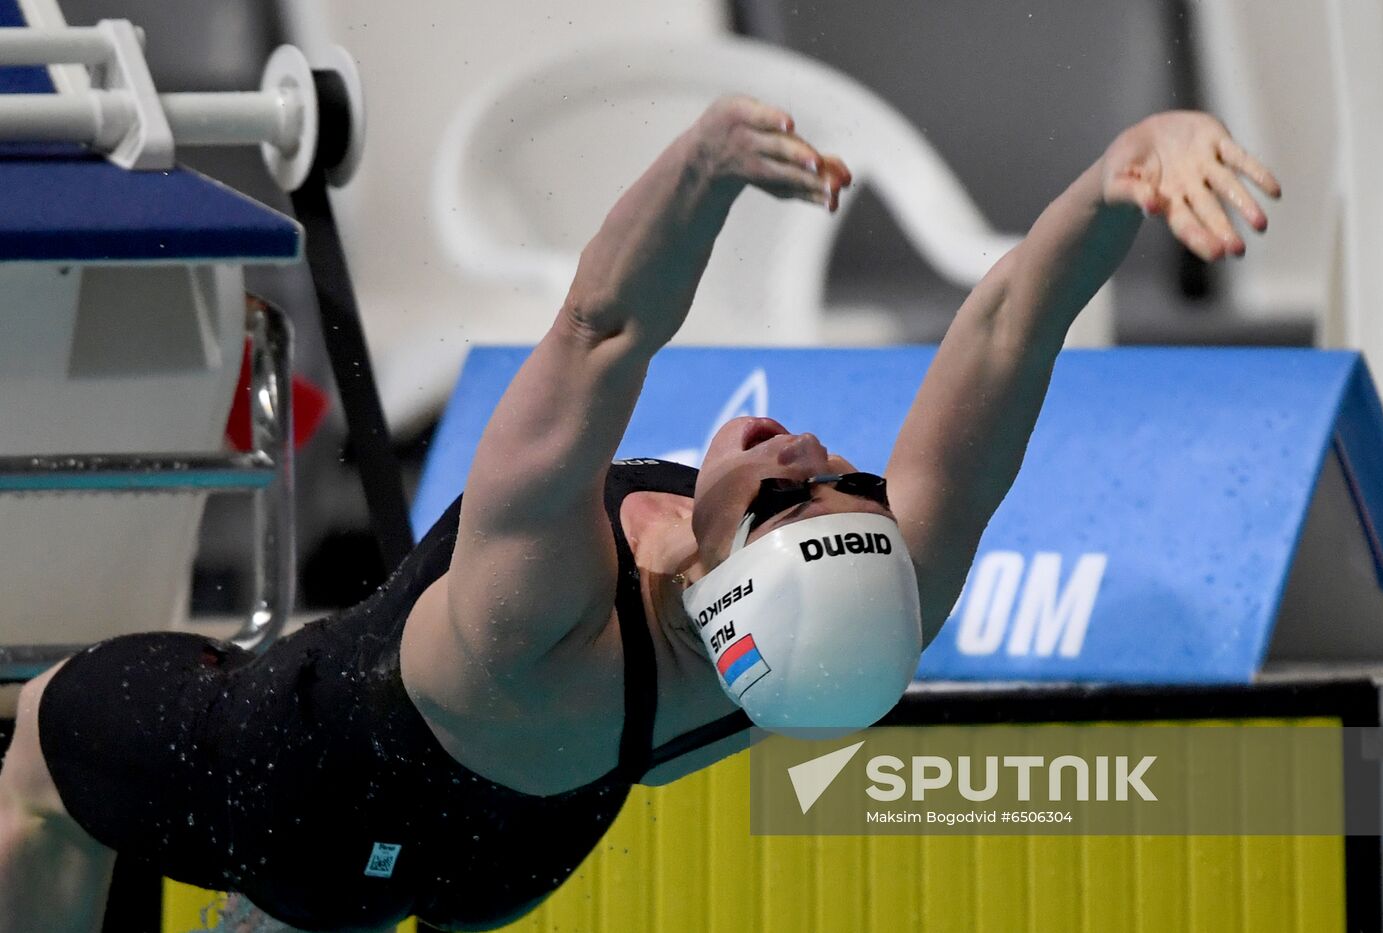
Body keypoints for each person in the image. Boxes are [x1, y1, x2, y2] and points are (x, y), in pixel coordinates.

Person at [0, 95, 1278, 933]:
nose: (814, 453)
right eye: (840, 485)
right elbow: (1007, 327)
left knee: (42, 747)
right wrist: (1121, 174)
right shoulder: (887, 594)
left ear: (715, 585)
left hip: (294, 779)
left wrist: (703, 164)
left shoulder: (540, 616)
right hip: (505, 859)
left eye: (783, 492)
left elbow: (598, 329)